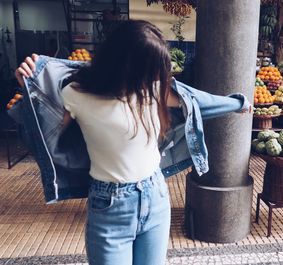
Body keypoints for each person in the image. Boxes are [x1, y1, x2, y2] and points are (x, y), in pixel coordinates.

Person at [15, 20, 251, 265]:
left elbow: (195, 101)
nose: (158, 77)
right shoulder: (76, 93)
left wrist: (236, 103)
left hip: (155, 197)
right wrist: (30, 87)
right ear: (126, 64)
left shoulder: (152, 88)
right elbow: (45, 133)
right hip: (109, 206)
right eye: (151, 69)